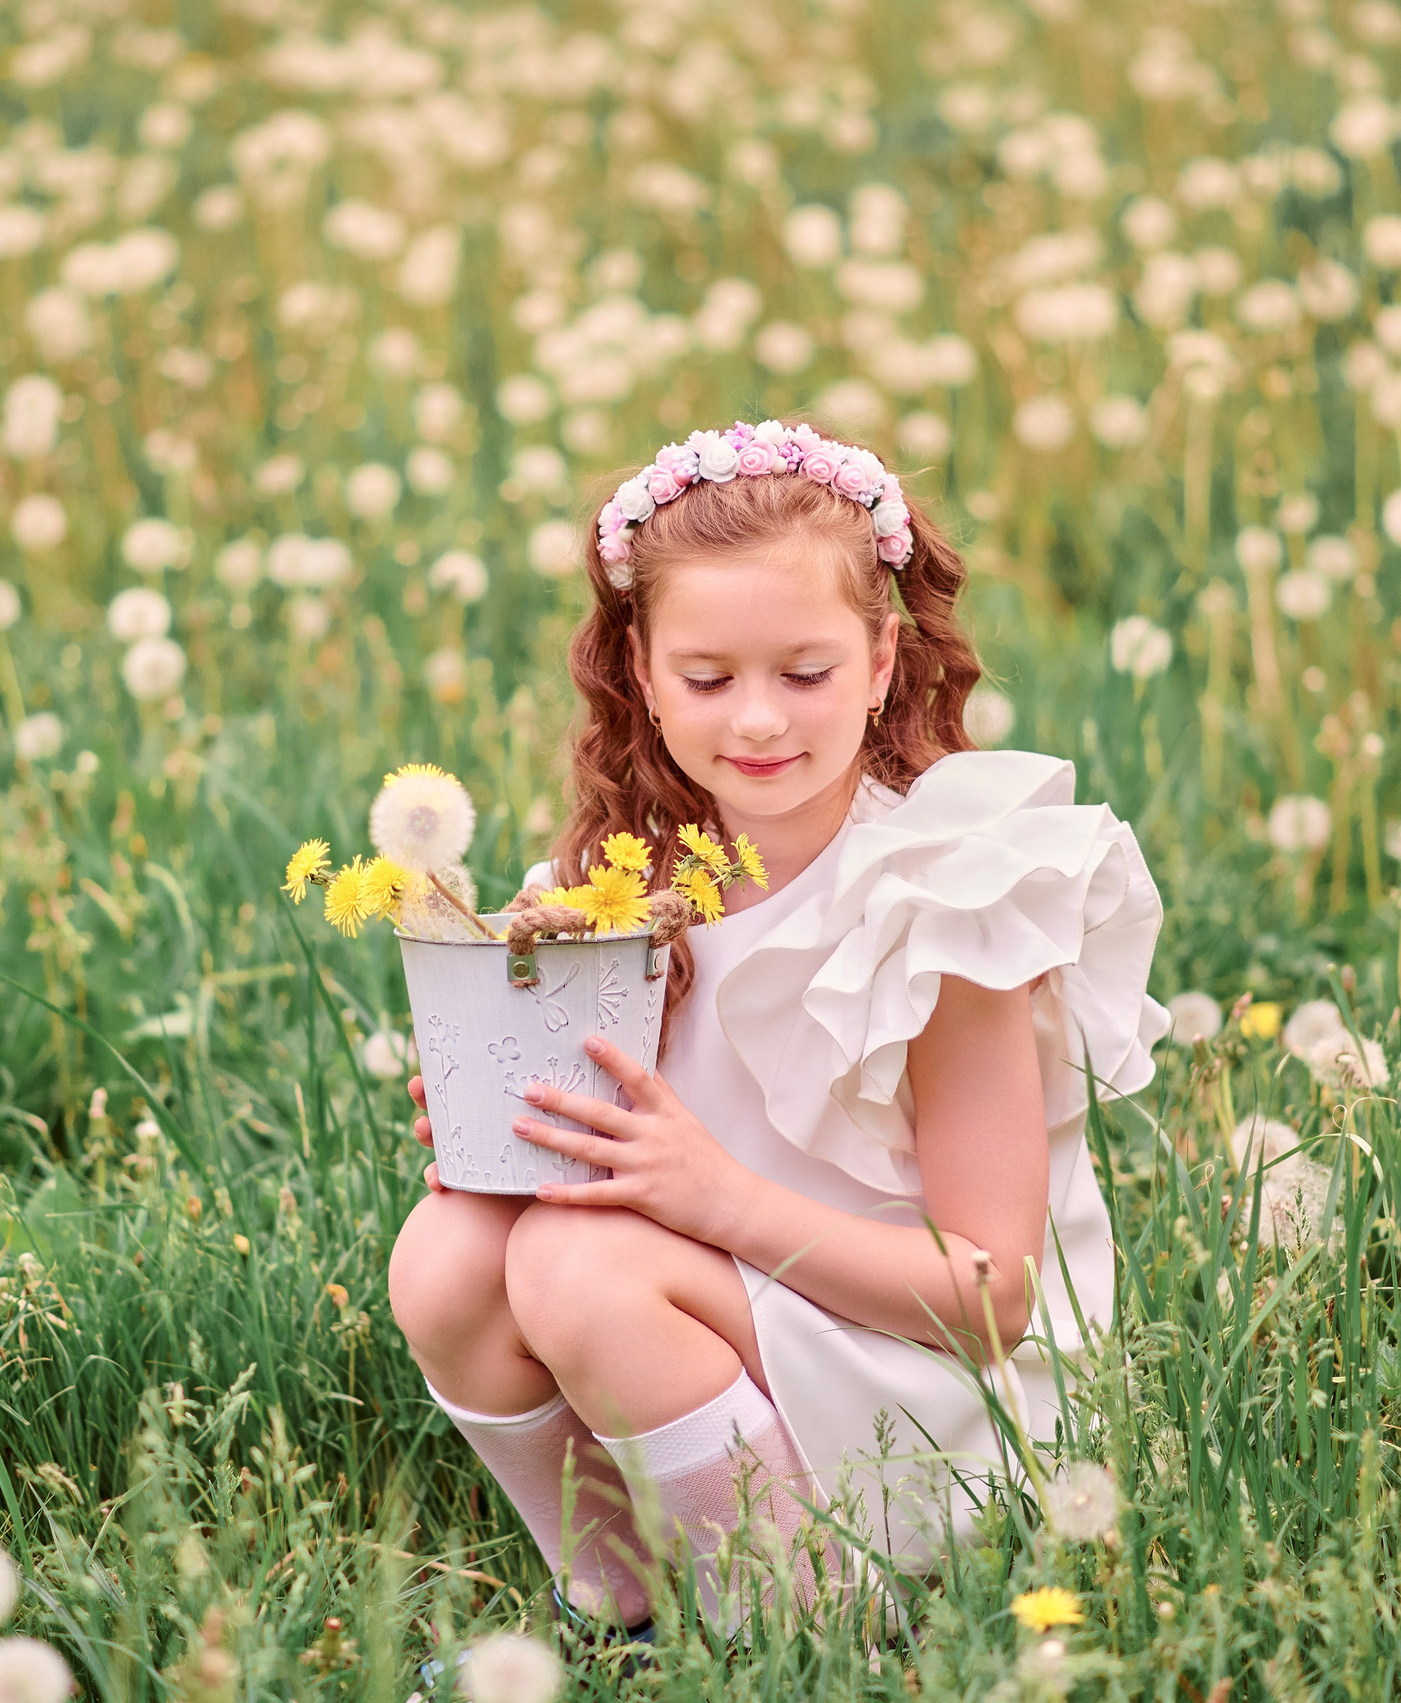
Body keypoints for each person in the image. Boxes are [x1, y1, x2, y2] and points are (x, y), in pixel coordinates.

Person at [387, 418, 1168, 1640]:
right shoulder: (613, 894)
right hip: (722, 1315)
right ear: (638, 671)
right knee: (450, 1252)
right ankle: (623, 1607)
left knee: (574, 1266)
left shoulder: (942, 898)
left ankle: (799, 1624)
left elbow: (994, 1294)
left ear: (879, 661)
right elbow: (603, 1174)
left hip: (927, 1376)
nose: (756, 720)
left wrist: (706, 1195)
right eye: (707, 678)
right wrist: (520, 1127)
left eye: (803, 673)